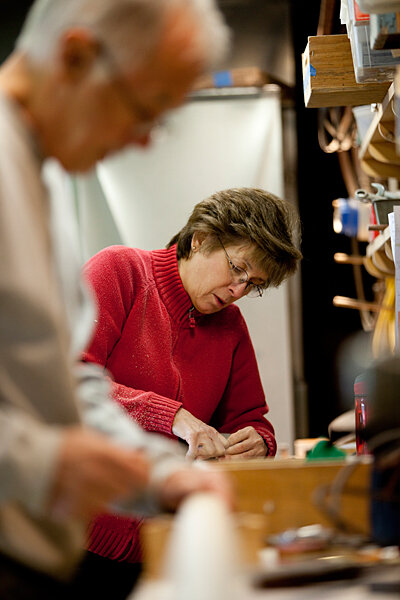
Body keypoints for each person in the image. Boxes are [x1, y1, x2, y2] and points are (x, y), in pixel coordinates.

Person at [0, 1, 232, 598]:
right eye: (145, 109)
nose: (146, 141)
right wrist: (39, 465)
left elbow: (68, 384)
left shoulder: (44, 179)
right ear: (76, 57)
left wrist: (161, 474)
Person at [82, 187, 302, 579]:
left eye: (253, 284)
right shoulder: (120, 271)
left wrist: (257, 441)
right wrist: (174, 416)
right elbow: (71, 383)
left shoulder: (231, 326)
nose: (239, 291)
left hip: (176, 543)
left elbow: (252, 419)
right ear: (200, 239)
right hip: (82, 541)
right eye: (237, 268)